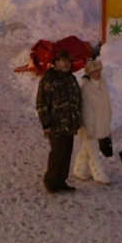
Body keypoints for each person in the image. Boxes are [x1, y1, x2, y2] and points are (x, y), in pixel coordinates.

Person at [36, 51, 83, 194]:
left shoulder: (71, 79)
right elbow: (41, 103)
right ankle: (51, 181)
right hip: (56, 124)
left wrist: (77, 120)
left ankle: (61, 180)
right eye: (63, 61)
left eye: (68, 61)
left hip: (70, 123)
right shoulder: (49, 79)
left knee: (66, 153)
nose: (67, 64)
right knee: (57, 152)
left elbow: (77, 100)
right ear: (56, 62)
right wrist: (46, 124)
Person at [73, 58, 113, 185]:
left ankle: (80, 170)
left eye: (99, 70)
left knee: (88, 149)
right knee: (94, 152)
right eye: (95, 71)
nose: (98, 73)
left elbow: (106, 102)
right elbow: (86, 110)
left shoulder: (102, 83)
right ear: (89, 73)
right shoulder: (85, 87)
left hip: (101, 122)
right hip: (90, 125)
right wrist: (89, 128)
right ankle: (98, 172)